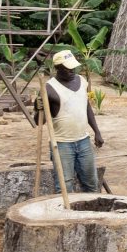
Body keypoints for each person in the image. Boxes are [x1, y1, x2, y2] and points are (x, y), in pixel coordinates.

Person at [37, 49, 103, 192]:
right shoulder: (49, 88)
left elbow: (87, 108)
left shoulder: (82, 81)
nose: (72, 71)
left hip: (84, 141)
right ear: (58, 68)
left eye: (73, 67)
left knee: (91, 183)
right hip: (61, 144)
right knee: (64, 187)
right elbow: (39, 122)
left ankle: (90, 206)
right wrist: (38, 108)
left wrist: (97, 132)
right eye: (68, 68)